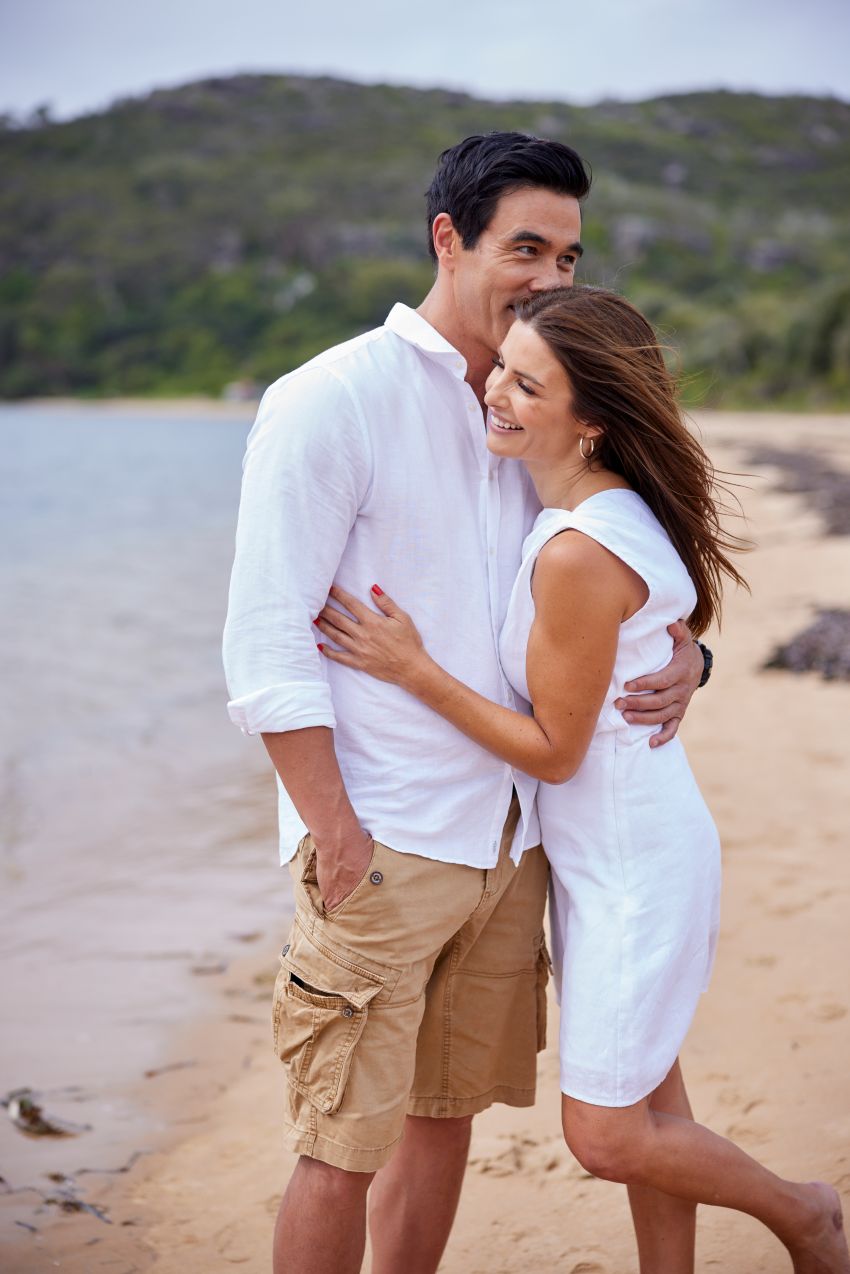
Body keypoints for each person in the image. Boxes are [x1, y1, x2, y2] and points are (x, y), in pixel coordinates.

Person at [222, 133, 708, 1274]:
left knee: (443, 1121)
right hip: (384, 840)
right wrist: (329, 823)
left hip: (516, 840)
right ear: (449, 238)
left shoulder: (537, 399)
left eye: (570, 254)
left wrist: (695, 659)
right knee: (338, 1144)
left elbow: (622, 581)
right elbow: (263, 637)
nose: (550, 275)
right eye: (524, 246)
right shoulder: (331, 400)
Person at [314, 285, 850, 1274]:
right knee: (646, 1090)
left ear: (590, 419)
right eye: (499, 371)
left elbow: (555, 749)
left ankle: (804, 1212)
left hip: (629, 861)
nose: (496, 395)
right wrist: (690, 654)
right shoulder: (591, 507)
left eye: (527, 384)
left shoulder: (572, 547)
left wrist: (411, 668)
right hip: (607, 847)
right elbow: (658, 628)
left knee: (605, 1131)